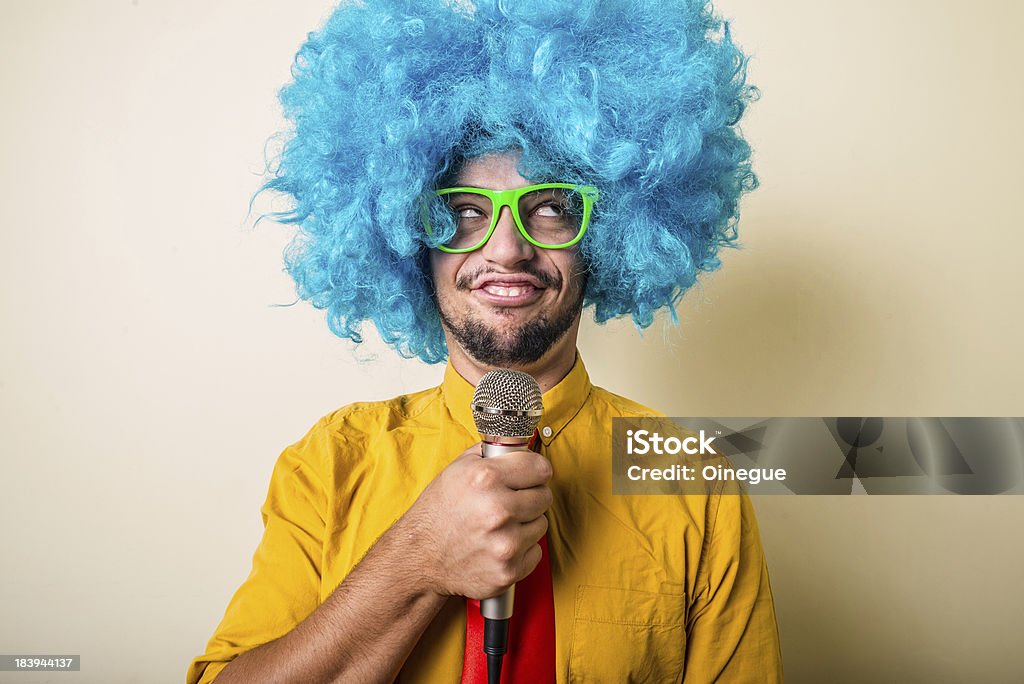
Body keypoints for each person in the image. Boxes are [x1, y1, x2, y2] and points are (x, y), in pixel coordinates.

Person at [188, 0, 782, 681]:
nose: (508, 248)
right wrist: (416, 559)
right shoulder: (332, 464)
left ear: (611, 234)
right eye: (464, 212)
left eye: (552, 208)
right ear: (408, 239)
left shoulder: (690, 479)